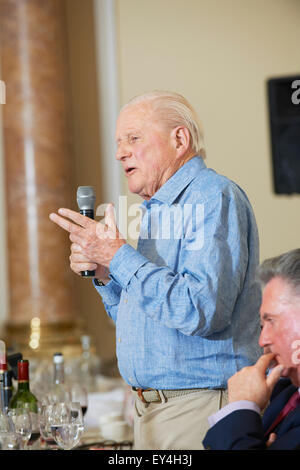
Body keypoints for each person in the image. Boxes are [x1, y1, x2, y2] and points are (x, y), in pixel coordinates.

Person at [49, 90, 261, 449]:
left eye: (133, 138)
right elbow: (143, 322)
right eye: (119, 143)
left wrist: (119, 256)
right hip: (150, 411)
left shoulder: (212, 197)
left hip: (199, 409)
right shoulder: (158, 210)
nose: (120, 153)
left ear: (180, 139)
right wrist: (105, 274)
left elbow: (199, 311)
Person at [203, 248, 300, 450]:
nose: (262, 340)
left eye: (272, 321)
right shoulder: (283, 393)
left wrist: (242, 406)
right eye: (262, 326)